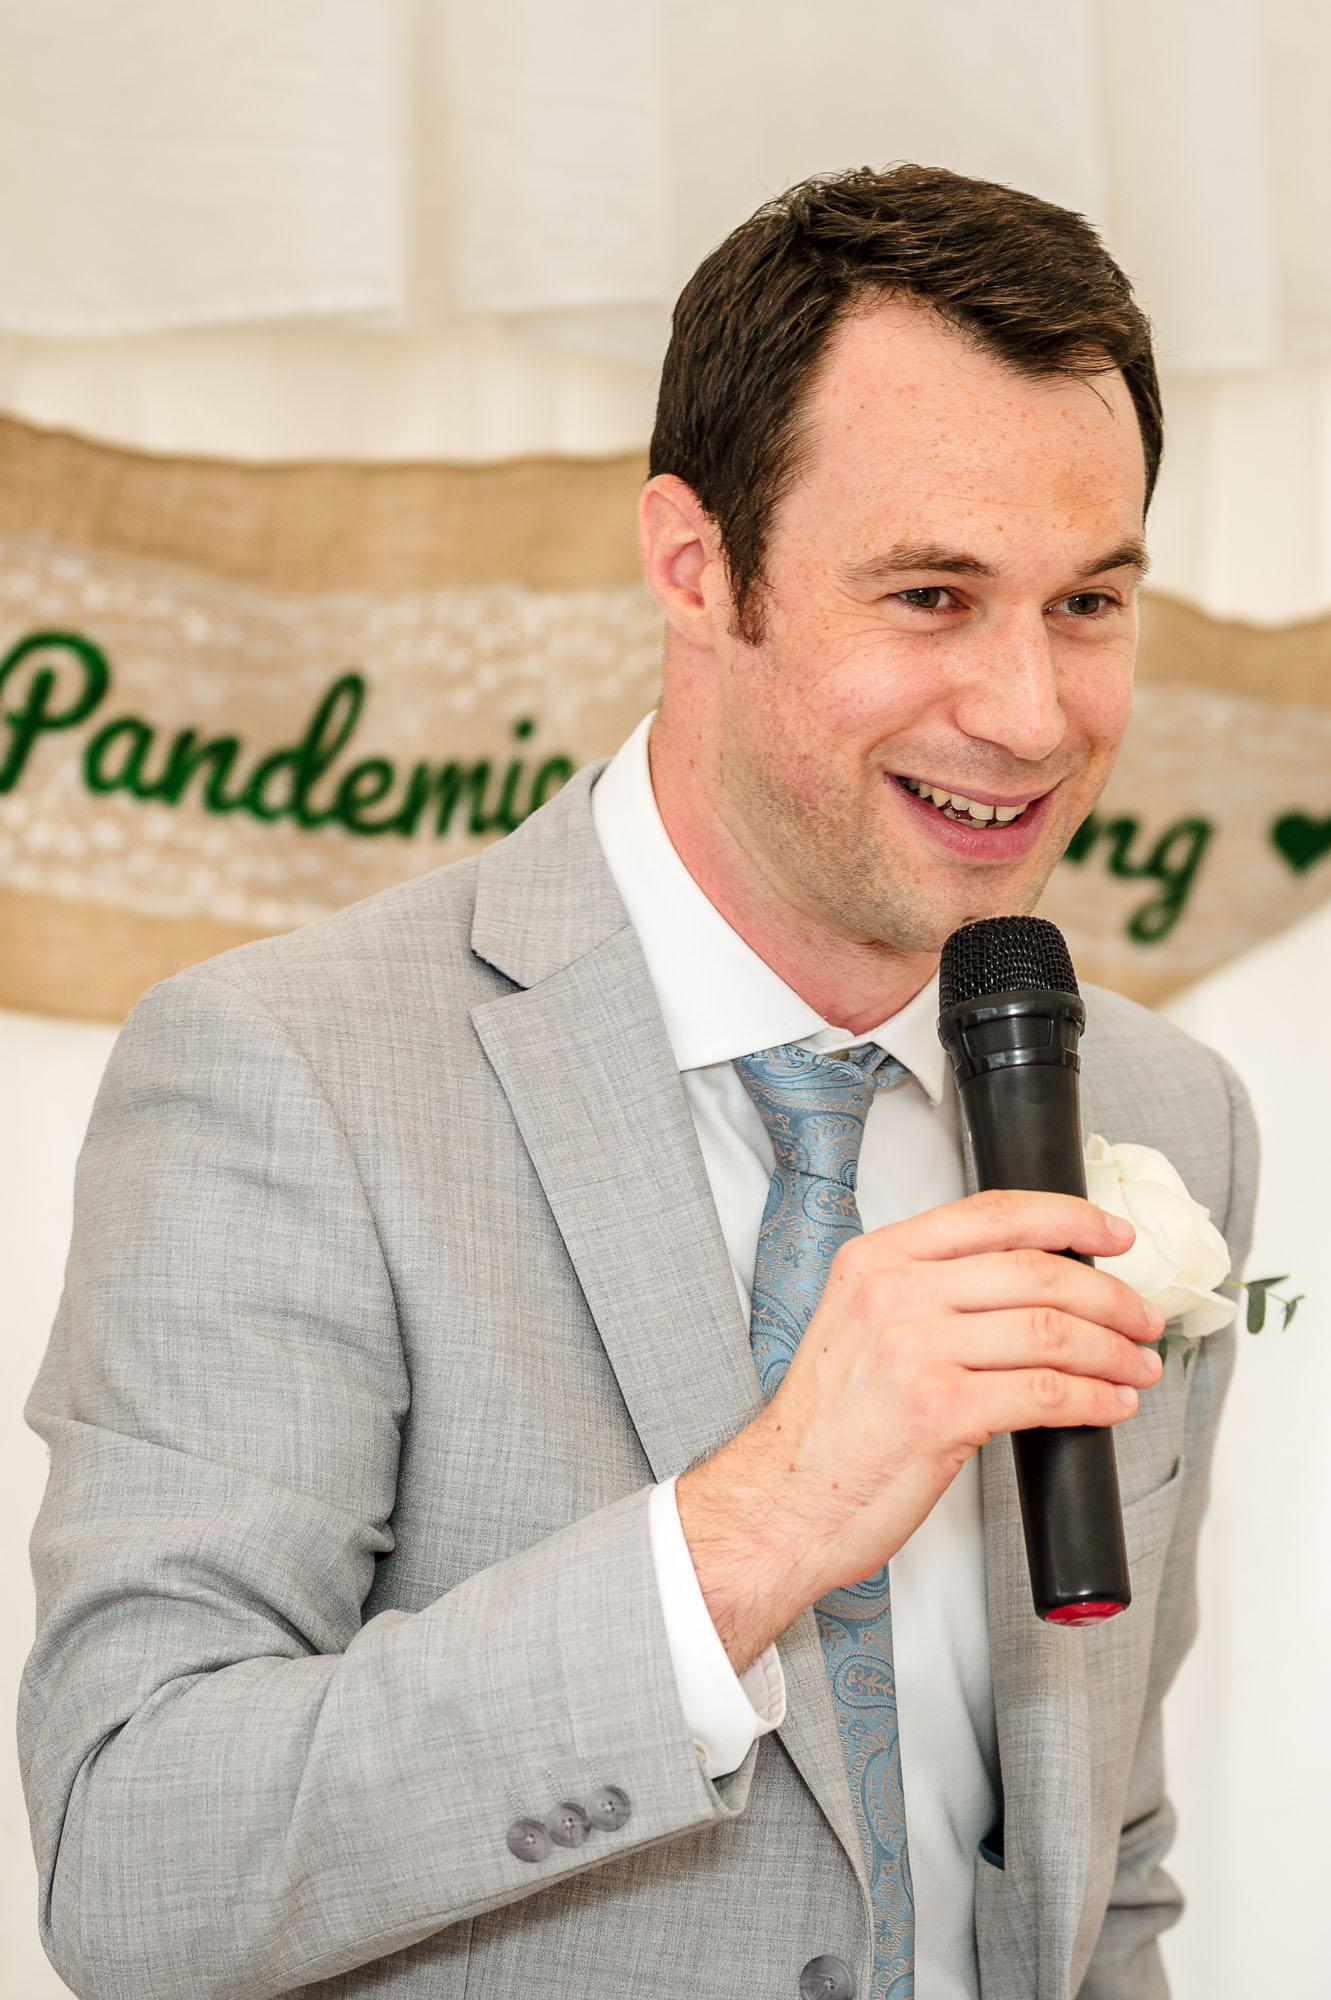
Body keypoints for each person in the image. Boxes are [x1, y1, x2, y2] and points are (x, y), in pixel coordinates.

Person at [21, 166, 1256, 2000]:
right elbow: (140, 1868)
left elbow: (1096, 1866)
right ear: (694, 564)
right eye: (932, 594)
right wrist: (754, 1523)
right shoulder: (286, 1072)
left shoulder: (1167, 1107)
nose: (1032, 709)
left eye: (1087, 601)